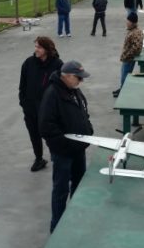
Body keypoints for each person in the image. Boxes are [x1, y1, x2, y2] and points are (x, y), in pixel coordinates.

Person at [39, 60, 93, 233]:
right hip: (63, 153)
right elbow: (46, 127)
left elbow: (83, 112)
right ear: (67, 76)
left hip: (78, 149)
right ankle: (56, 228)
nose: (81, 81)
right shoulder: (52, 95)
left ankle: (75, 220)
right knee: (61, 190)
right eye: (79, 77)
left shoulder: (74, 90)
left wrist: (88, 130)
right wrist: (65, 145)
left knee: (79, 185)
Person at [18, 36, 63, 172]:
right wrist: (24, 103)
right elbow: (22, 85)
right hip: (30, 109)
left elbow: (62, 88)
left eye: (39, 47)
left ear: (47, 49)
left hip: (49, 111)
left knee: (51, 135)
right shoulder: (28, 63)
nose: (36, 49)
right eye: (35, 46)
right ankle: (39, 158)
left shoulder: (58, 65)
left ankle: (57, 156)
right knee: (34, 135)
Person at [113, 12, 143, 98]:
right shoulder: (132, 30)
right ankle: (122, 88)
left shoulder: (136, 32)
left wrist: (127, 55)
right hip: (126, 57)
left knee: (125, 75)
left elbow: (136, 48)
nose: (126, 23)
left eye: (128, 21)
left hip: (129, 58)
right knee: (123, 73)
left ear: (133, 22)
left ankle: (123, 90)